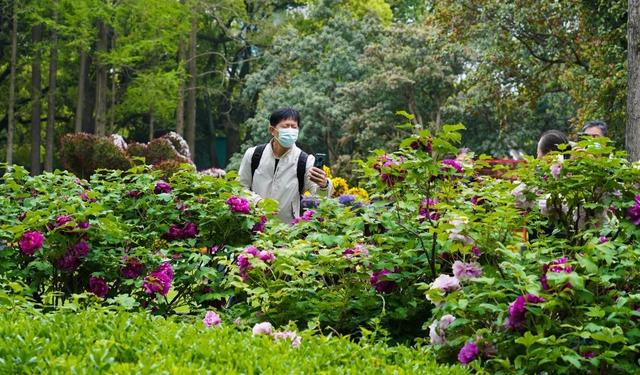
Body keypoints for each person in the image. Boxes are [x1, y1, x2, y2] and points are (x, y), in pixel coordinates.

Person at [238, 108, 333, 223]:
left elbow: (319, 199)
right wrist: (257, 202)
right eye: (285, 126)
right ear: (272, 130)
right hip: (254, 225)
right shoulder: (254, 155)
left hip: (287, 233)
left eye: (294, 127)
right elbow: (241, 187)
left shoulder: (305, 161)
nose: (290, 130)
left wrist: (324, 185)